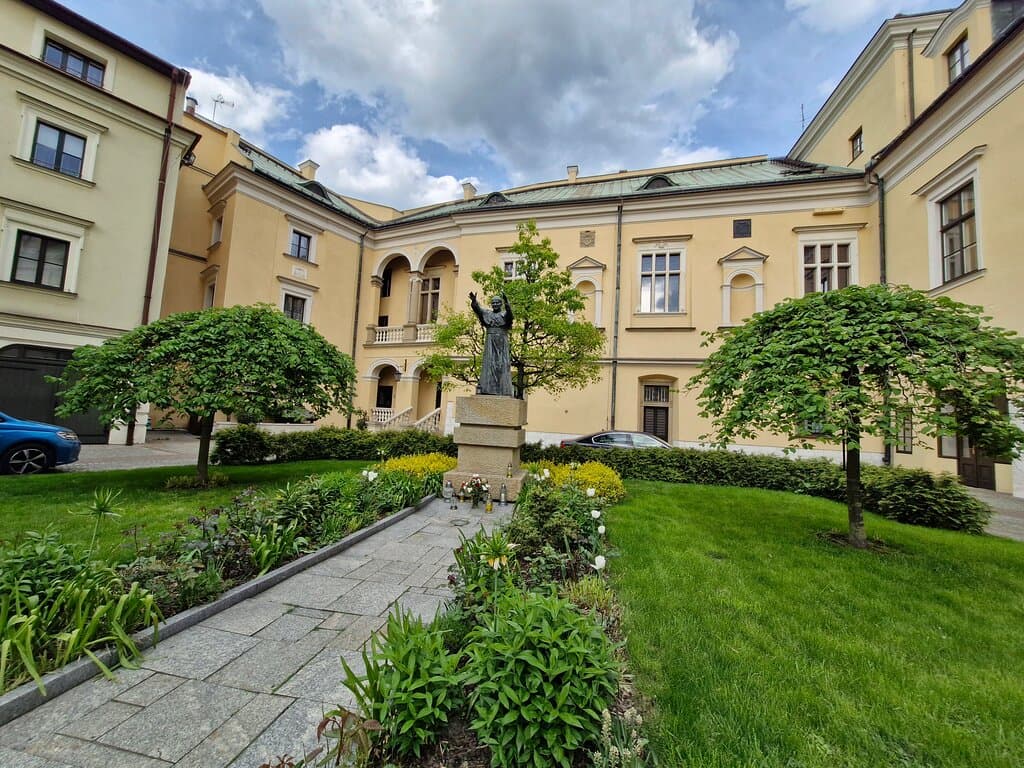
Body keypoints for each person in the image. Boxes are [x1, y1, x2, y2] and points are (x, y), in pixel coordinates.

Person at [470, 291, 514, 396]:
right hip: (490, 340)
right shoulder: (488, 314)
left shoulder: (504, 314)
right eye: (493, 303)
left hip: (501, 341)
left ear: (501, 304)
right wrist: (474, 301)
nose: (495, 305)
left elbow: (510, 315)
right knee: (489, 364)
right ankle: (488, 389)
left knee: (501, 364)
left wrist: (507, 302)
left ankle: (502, 390)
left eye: (497, 303)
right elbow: (478, 310)